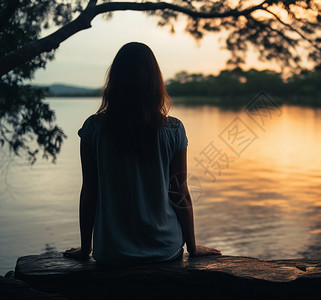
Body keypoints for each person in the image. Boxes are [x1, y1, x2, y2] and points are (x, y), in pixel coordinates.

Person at [64, 42, 221, 264]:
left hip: (111, 252)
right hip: (164, 249)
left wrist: (85, 248)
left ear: (114, 81)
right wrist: (193, 247)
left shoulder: (93, 129)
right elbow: (179, 192)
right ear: (155, 81)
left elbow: (89, 192)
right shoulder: (173, 130)